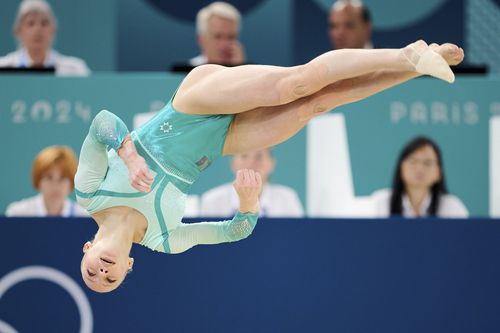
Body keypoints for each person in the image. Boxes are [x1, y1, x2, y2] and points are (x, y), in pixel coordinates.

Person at [76, 40, 464, 292]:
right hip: (220, 143)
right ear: (128, 266)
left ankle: (405, 54)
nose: (103, 273)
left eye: (92, 272)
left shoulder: (90, 194)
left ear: (88, 249)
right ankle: (414, 69)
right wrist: (249, 202)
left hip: (189, 105)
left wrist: (128, 155)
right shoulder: (162, 240)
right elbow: (235, 232)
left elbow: (102, 124)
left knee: (295, 84)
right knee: (316, 104)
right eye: (110, 280)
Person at [371, 136, 469, 218]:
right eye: (413, 161)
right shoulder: (381, 203)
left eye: (427, 163)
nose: (419, 169)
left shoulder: (452, 208)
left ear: (438, 173)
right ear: (401, 169)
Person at [200, 149, 304, 217]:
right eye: (244, 156)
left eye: (259, 156)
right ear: (233, 163)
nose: (251, 163)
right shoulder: (212, 199)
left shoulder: (288, 198)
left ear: (272, 163)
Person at [0, 0, 90, 76]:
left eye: (44, 23)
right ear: (18, 31)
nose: (38, 30)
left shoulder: (75, 71)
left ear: (53, 30)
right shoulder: (3, 68)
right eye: (30, 23)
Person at [6, 146, 88, 217]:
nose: (55, 185)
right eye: (49, 177)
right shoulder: (18, 214)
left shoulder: (84, 216)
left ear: (71, 181)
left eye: (62, 178)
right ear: (38, 180)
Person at [171, 2, 245, 72]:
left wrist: (239, 68)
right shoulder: (186, 74)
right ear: (201, 39)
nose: (224, 44)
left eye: (231, 37)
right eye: (218, 37)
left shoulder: (249, 75)